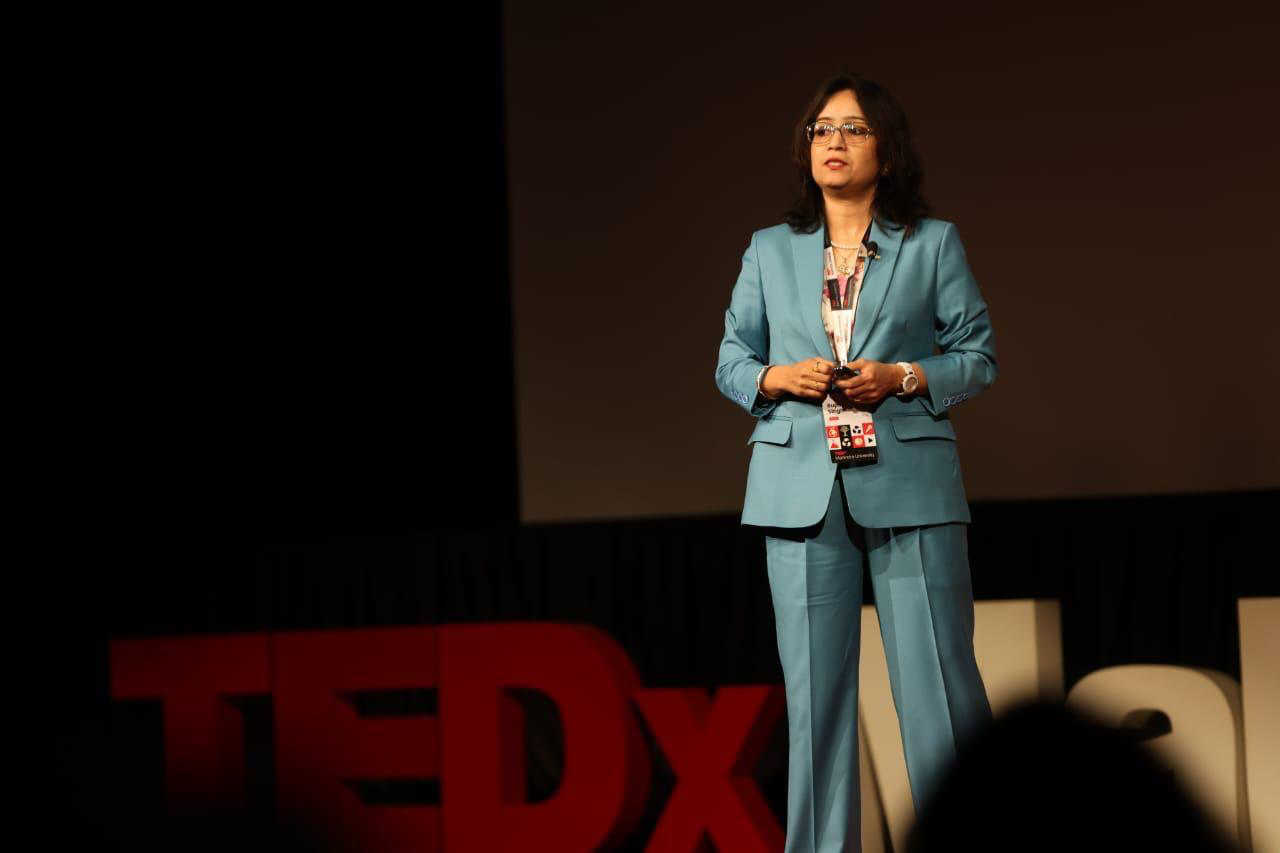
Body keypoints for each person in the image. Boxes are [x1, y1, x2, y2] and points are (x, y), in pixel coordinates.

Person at [714, 72, 998, 851]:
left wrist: (902, 376)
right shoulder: (771, 250)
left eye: (853, 129)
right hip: (798, 486)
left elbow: (977, 356)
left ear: (888, 149)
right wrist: (778, 377)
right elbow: (731, 361)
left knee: (938, 693)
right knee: (815, 708)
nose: (832, 143)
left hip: (909, 479)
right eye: (820, 130)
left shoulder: (931, 243)